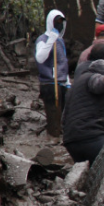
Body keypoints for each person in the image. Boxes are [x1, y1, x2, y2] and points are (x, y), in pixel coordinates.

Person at [35, 9, 71, 138]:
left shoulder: (60, 41)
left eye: (61, 22)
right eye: (57, 22)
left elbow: (63, 62)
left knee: (64, 115)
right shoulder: (43, 39)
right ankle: (52, 139)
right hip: (49, 84)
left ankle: (62, 139)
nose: (59, 25)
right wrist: (50, 40)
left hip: (61, 83)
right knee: (53, 115)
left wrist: (67, 82)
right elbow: (40, 58)